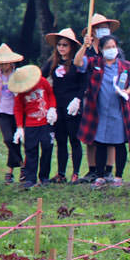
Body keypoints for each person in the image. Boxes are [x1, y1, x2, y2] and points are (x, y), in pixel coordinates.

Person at [74, 34, 130, 188]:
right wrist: (84, 46)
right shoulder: (94, 63)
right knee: (100, 143)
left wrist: (127, 92)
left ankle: (118, 176)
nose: (111, 50)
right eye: (107, 47)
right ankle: (100, 176)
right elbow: (77, 62)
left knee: (119, 143)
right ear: (101, 50)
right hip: (99, 111)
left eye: (113, 47)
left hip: (119, 110)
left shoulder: (126, 66)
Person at [78, 13, 122, 184]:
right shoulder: (88, 51)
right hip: (90, 97)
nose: (103, 30)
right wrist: (84, 45)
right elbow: (78, 65)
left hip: (111, 97)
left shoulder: (115, 50)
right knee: (91, 136)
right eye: (99, 27)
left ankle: (109, 170)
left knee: (111, 135)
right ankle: (93, 169)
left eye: (105, 27)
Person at [42, 29, 85, 184]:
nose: (61, 48)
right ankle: (61, 173)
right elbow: (40, 77)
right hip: (57, 106)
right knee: (61, 141)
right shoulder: (52, 62)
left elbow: (83, 83)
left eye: (65, 45)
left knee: (74, 140)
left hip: (73, 107)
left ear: (71, 47)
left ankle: (76, 173)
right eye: (59, 45)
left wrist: (78, 100)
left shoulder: (77, 62)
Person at [7, 64, 56, 190]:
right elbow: (18, 108)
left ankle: (44, 177)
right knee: (30, 151)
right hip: (30, 124)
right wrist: (19, 127)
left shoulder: (43, 82)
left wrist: (52, 108)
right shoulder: (21, 90)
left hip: (45, 122)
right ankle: (30, 178)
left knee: (47, 148)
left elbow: (51, 94)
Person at [0, 43, 25, 183]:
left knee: (17, 141)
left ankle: (10, 172)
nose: (2, 66)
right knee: (8, 139)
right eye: (0, 63)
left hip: (17, 112)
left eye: (5, 63)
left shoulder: (17, 74)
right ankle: (22, 165)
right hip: (2, 112)